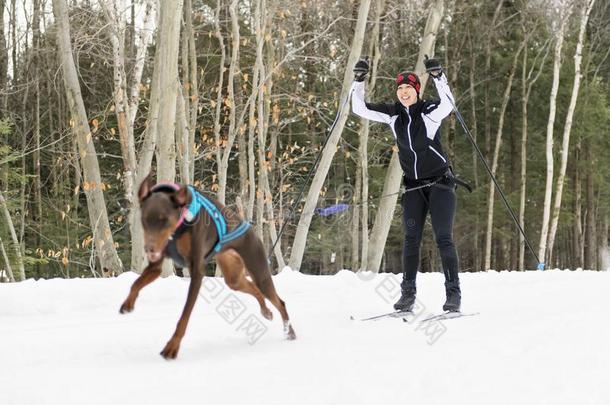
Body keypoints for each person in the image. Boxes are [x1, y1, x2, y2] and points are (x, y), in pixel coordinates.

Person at [350, 57, 461, 312]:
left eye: (408, 87)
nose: (403, 92)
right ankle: (407, 295)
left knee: (444, 238)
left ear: (417, 90)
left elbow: (449, 104)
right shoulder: (393, 115)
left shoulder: (429, 112)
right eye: (400, 88)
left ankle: (453, 294)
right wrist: (358, 81)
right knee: (411, 240)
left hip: (441, 185)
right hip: (413, 187)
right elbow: (359, 108)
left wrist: (438, 76)